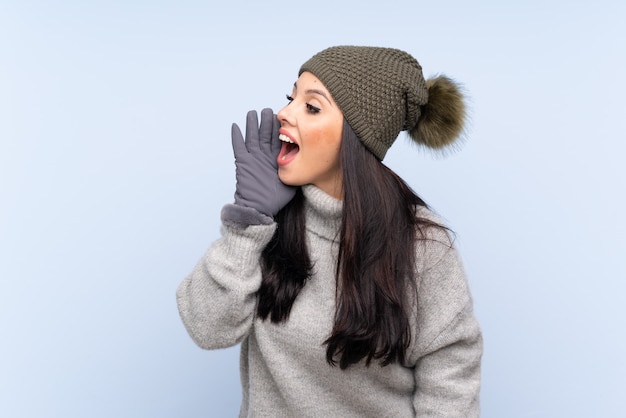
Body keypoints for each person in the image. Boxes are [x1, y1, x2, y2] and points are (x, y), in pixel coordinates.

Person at [177, 45, 483, 417]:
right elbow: (207, 329)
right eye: (291, 98)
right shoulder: (268, 221)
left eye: (311, 106)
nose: (283, 113)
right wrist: (247, 223)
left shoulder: (423, 247)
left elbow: (450, 376)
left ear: (355, 137)